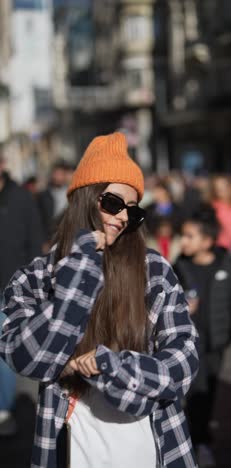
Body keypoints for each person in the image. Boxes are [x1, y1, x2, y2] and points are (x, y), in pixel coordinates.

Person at [0, 132, 199, 468]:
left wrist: (113, 366)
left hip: (152, 445)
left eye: (133, 212)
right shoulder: (36, 277)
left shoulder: (153, 270)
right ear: (84, 199)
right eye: (113, 203)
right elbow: (25, 358)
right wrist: (81, 268)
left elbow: (183, 363)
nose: (123, 217)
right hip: (73, 444)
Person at [173, 203, 231, 468]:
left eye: (189, 236)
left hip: (214, 344)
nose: (183, 241)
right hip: (185, 344)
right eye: (182, 235)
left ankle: (200, 441)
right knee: (192, 392)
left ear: (207, 241)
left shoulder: (227, 267)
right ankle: (193, 441)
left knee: (206, 394)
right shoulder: (179, 267)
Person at [0, 152, 43, 436]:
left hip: (10, 288)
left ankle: (3, 410)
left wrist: (30, 287)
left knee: (3, 351)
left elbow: (35, 242)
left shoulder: (22, 198)